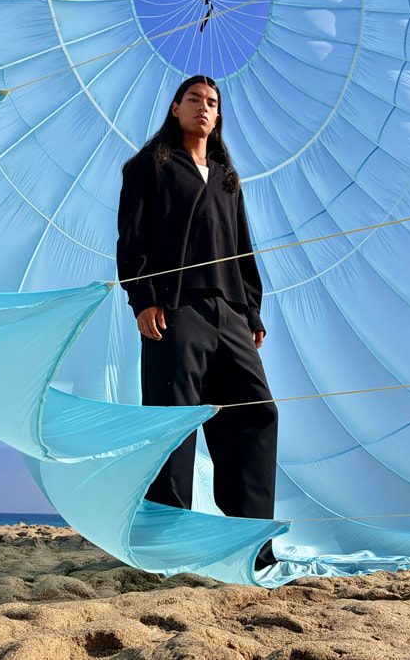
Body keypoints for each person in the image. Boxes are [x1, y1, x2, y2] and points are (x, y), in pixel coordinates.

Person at [116, 75, 278, 569]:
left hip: (230, 313)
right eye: (194, 100)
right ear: (174, 108)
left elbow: (242, 249)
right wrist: (143, 298)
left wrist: (250, 311)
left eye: (212, 102)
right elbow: (131, 238)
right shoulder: (147, 166)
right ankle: (169, 543)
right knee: (174, 423)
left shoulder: (228, 177)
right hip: (176, 310)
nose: (203, 108)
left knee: (258, 413)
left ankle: (251, 545)